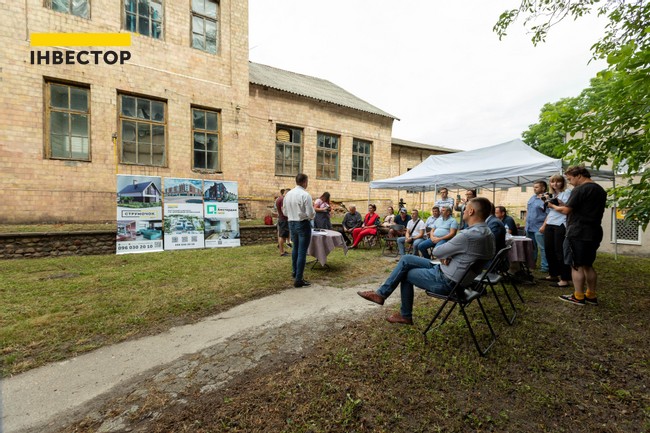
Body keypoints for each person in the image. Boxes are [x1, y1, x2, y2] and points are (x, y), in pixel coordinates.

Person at [357, 197, 496, 325]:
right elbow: (470, 255)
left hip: (447, 280)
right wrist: (452, 255)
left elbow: (437, 251)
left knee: (405, 274)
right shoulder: (488, 234)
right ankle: (381, 294)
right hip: (458, 278)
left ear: (471, 211)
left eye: (465, 209)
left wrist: (448, 254)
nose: (463, 211)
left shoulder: (468, 235)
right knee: (406, 259)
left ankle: (404, 314)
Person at [547, 166, 607, 306]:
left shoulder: (580, 189)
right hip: (594, 230)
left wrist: (553, 206)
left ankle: (578, 296)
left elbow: (567, 210)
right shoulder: (600, 190)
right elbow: (581, 207)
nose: (570, 182)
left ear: (579, 175)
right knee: (588, 265)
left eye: (570, 179)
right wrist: (563, 204)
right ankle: (591, 295)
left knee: (576, 265)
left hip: (578, 231)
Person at [282, 173, 315, 288]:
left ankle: (295, 271)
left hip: (291, 222)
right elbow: (310, 214)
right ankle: (298, 279)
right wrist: (309, 215)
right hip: (302, 223)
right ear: (305, 182)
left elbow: (284, 212)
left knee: (295, 248)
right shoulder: (305, 195)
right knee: (302, 251)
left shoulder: (288, 194)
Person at [541, 174, 572, 288]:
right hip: (550, 223)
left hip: (561, 224)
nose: (555, 184)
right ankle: (553, 274)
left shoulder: (567, 193)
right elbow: (550, 211)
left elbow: (566, 208)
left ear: (562, 182)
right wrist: (544, 225)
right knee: (549, 249)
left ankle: (564, 278)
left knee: (560, 251)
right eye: (552, 182)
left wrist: (553, 203)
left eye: (558, 182)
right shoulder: (552, 194)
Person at [525, 180, 549, 274]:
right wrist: (526, 222)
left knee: (543, 248)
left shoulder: (546, 198)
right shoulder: (532, 198)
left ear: (543, 188)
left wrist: (544, 226)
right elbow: (528, 210)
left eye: (536, 187)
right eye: (534, 187)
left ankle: (545, 267)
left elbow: (549, 214)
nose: (534, 189)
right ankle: (531, 264)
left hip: (539, 227)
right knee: (531, 247)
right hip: (529, 227)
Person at [275, 188, 290, 257]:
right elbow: (283, 210)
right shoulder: (283, 199)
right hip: (284, 219)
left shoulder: (279, 198)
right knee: (282, 236)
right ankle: (282, 252)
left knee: (282, 235)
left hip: (281, 219)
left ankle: (282, 250)